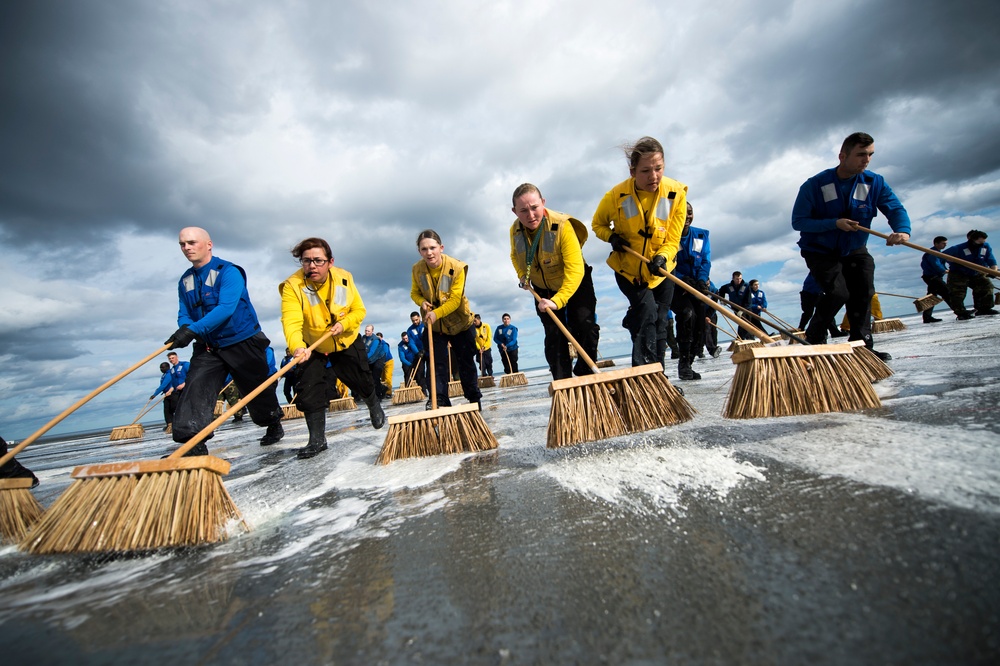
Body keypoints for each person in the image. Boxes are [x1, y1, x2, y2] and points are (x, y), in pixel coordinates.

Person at [791, 132, 911, 362]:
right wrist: (833, 223)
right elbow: (799, 221)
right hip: (820, 250)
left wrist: (902, 230)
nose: (866, 160)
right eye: (860, 155)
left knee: (864, 290)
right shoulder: (814, 185)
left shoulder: (874, 182)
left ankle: (862, 345)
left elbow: (895, 208)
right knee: (838, 292)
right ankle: (814, 337)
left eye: (870, 155)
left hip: (855, 248)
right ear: (842, 156)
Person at [165, 227, 284, 455]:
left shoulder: (228, 272)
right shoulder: (185, 280)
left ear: (208, 244)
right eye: (182, 244)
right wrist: (184, 328)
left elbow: (226, 309)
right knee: (196, 386)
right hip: (209, 345)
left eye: (191, 242)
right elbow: (184, 311)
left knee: (257, 389)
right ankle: (194, 441)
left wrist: (193, 330)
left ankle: (272, 423)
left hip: (241, 340)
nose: (187, 248)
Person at [280, 237, 385, 459]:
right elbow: (291, 320)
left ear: (330, 261)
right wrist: (297, 347)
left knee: (361, 379)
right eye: (306, 261)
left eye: (318, 260)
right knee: (309, 389)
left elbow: (359, 310)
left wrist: (343, 324)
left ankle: (373, 404)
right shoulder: (293, 286)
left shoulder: (344, 278)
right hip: (313, 345)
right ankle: (317, 439)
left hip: (344, 338)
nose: (312, 266)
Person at [592, 136, 686, 369]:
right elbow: (598, 225)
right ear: (632, 171)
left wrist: (663, 256)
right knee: (648, 314)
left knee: (661, 321)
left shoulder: (676, 193)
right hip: (629, 270)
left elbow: (674, 238)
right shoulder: (616, 196)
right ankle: (644, 373)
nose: (653, 176)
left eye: (658, 168)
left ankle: (658, 376)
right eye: (645, 171)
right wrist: (612, 237)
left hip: (662, 269)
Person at [509, 183, 600, 380]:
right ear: (515, 211)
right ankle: (562, 383)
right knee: (554, 336)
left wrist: (558, 301)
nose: (530, 215)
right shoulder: (515, 230)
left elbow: (575, 270)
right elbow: (515, 255)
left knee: (584, 326)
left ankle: (586, 375)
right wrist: (522, 275)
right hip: (543, 288)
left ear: (543, 203)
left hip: (575, 283)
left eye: (534, 207)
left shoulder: (562, 226)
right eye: (523, 210)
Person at [410, 229, 482, 408]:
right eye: (424, 249)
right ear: (419, 251)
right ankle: (439, 399)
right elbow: (414, 293)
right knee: (436, 364)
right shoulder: (417, 269)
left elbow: (455, 300)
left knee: (466, 363)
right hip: (434, 327)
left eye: (433, 248)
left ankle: (473, 398)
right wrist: (422, 302)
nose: (429, 253)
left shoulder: (457, 268)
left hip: (460, 324)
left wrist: (436, 313)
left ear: (441, 247)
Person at [670, 201, 710, 380]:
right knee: (687, 315)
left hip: (697, 286)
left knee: (700, 325)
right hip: (676, 286)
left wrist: (701, 280)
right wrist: (680, 279)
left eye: (690, 212)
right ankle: (683, 365)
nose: (687, 216)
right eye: (682, 212)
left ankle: (690, 362)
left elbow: (705, 261)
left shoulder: (701, 235)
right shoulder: (669, 237)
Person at [943, 230, 998, 318]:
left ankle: (984, 309)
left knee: (986, 286)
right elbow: (940, 256)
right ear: (972, 240)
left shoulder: (985, 247)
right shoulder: (958, 248)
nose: (982, 244)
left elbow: (991, 260)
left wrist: (993, 271)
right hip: (959, 274)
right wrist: (950, 261)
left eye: (983, 242)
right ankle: (961, 313)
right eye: (979, 242)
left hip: (976, 272)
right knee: (958, 294)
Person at [718, 271, 753, 339]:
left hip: (746, 308)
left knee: (746, 323)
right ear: (733, 278)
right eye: (737, 279)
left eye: (740, 278)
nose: (739, 280)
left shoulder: (746, 286)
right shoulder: (728, 286)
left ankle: (743, 338)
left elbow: (748, 300)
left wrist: (743, 310)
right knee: (742, 323)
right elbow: (721, 291)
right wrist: (722, 299)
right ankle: (743, 338)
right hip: (735, 308)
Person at [161, 351, 189, 430]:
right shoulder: (172, 370)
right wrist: (170, 390)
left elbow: (192, 374)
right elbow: (173, 383)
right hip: (178, 391)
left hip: (188, 389)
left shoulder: (185, 365)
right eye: (169, 359)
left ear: (177, 357)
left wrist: (184, 384)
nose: (171, 360)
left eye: (172, 358)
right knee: (177, 407)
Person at [406, 311, 429, 395]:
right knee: (420, 372)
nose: (415, 322)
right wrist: (417, 352)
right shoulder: (410, 330)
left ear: (419, 317)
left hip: (428, 350)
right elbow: (411, 342)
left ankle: (432, 389)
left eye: (416, 320)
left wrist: (426, 348)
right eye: (413, 321)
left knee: (430, 371)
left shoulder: (425, 324)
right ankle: (423, 391)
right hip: (419, 353)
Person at [362, 325, 388, 400]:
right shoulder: (363, 338)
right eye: (366, 330)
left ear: (372, 331)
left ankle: (378, 395)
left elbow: (372, 352)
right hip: (370, 360)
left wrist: (364, 359)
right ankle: (382, 388)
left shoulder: (375, 340)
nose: (366, 332)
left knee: (375, 377)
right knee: (369, 378)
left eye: (368, 331)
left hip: (378, 358)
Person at [150, 361, 173, 425]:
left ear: (168, 367)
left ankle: (172, 423)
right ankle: (169, 424)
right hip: (166, 394)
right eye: (160, 368)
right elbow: (162, 386)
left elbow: (163, 385)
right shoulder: (164, 375)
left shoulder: (169, 374)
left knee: (171, 409)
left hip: (172, 393)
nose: (161, 369)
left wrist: (154, 395)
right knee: (166, 410)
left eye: (163, 367)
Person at [375, 332, 394, 397]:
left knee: (387, 377)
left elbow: (385, 353)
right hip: (381, 363)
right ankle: (383, 392)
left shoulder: (384, 344)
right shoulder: (376, 345)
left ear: (382, 338)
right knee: (382, 378)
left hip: (388, 361)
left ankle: (388, 393)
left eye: (379, 338)